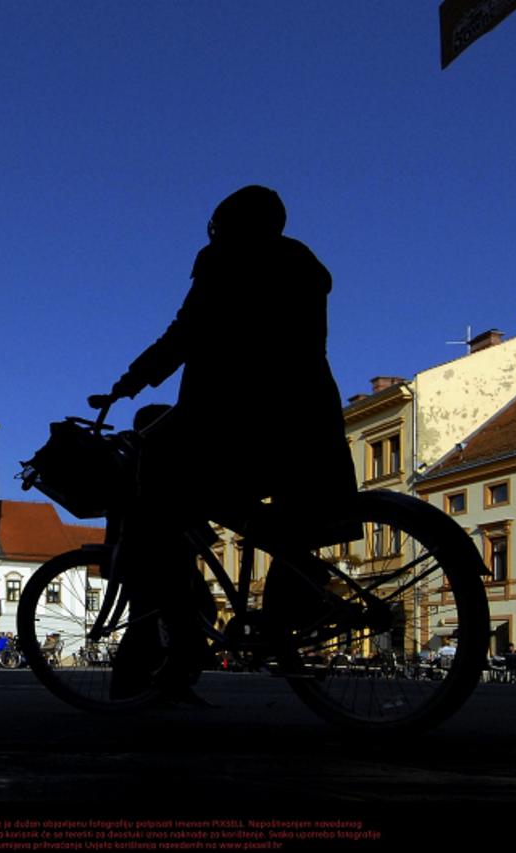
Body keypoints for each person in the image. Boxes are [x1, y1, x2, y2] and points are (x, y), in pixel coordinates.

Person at [92, 186, 356, 697]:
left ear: (228, 226)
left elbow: (184, 333)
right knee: (282, 516)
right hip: (307, 414)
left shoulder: (224, 261)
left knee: (160, 502)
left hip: (239, 413)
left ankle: (181, 640)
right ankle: (287, 595)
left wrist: (128, 382)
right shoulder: (302, 263)